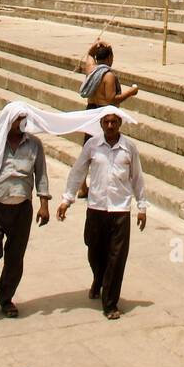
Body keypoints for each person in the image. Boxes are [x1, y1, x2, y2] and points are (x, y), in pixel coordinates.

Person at [57, 107, 147, 320]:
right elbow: (78, 170)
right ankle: (99, 278)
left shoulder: (129, 148)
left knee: (117, 258)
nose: (109, 126)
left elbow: (137, 177)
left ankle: (110, 302)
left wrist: (141, 206)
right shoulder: (92, 146)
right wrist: (66, 199)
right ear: (101, 124)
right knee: (94, 248)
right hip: (96, 207)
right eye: (106, 122)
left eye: (113, 122)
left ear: (119, 124)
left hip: (120, 209)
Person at [0, 102, 52, 317]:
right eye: (17, 119)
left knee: (15, 257)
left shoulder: (34, 145)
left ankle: (6, 298)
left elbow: (40, 174)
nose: (20, 123)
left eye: (24, 118)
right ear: (8, 119)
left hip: (22, 208)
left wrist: (44, 204)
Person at [79, 43, 139, 109]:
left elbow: (90, 53)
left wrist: (98, 43)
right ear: (109, 57)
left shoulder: (90, 70)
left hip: (90, 110)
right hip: (103, 113)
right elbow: (112, 100)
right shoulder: (108, 76)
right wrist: (130, 92)